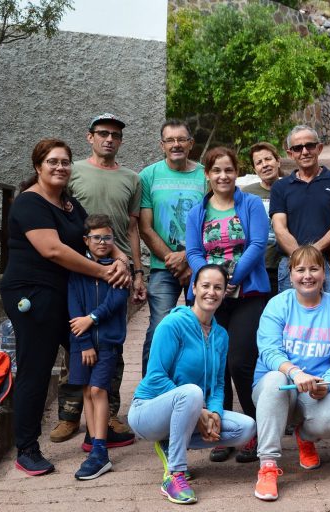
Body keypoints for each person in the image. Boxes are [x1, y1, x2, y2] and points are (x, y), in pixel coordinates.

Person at [0, 139, 129, 476]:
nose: (60, 167)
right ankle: (26, 448)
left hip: (66, 295)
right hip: (33, 295)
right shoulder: (29, 202)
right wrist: (104, 272)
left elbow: (94, 235)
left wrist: (121, 259)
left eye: (65, 162)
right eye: (52, 162)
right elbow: (54, 251)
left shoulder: (69, 204)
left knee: (93, 356)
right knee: (37, 369)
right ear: (38, 166)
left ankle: (96, 434)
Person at [128, 264, 256, 505]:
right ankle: (174, 475)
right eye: (205, 286)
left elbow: (218, 383)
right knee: (192, 393)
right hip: (148, 411)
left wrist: (215, 413)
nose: (212, 292)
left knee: (246, 427)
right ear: (194, 289)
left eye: (218, 287)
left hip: (189, 411)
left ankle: (170, 443)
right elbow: (155, 376)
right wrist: (200, 411)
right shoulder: (172, 324)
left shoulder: (221, 335)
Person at [51, 113, 141, 447]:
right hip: (79, 269)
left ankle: (109, 412)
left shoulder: (132, 179)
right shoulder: (72, 173)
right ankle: (69, 415)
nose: (109, 139)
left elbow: (132, 228)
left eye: (115, 135)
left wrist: (135, 268)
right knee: (76, 338)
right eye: (103, 133)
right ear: (90, 137)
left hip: (116, 272)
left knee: (111, 348)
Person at [185, 146, 270, 463]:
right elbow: (193, 251)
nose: (223, 176)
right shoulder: (197, 212)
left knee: (240, 362)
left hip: (247, 294)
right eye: (216, 170)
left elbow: (259, 244)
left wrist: (231, 278)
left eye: (228, 170)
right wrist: (210, 282)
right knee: (214, 365)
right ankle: (221, 429)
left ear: (237, 172)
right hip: (209, 300)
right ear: (207, 174)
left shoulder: (250, 204)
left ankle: (256, 430)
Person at [252, 245, 330, 501]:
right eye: (300, 269)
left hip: (315, 390)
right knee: (275, 379)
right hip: (277, 388)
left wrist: (327, 383)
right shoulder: (277, 305)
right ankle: (268, 466)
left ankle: (305, 437)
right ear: (291, 274)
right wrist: (295, 373)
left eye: (314, 269)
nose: (307, 275)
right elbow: (269, 351)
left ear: (324, 273)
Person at [139, 119, 207, 376]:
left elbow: (213, 220)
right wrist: (174, 260)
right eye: (170, 140)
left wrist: (189, 260)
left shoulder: (205, 175)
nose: (176, 144)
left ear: (190, 144)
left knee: (201, 328)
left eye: (181, 139)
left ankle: (196, 390)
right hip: (162, 267)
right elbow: (145, 227)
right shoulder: (149, 176)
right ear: (162, 145)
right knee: (159, 328)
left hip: (199, 266)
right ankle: (149, 394)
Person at [68, 214, 130, 480]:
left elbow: (117, 300)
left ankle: (101, 451)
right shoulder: (77, 270)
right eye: (96, 238)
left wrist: (92, 319)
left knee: (98, 390)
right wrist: (83, 342)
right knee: (86, 392)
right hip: (82, 345)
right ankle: (94, 443)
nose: (102, 242)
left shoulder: (117, 269)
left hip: (107, 342)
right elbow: (73, 308)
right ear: (86, 240)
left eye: (107, 237)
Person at [269, 125, 330, 294]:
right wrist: (303, 260)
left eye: (310, 146)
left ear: (319, 148)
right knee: (293, 319)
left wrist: (311, 253)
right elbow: (279, 228)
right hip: (291, 265)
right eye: (298, 148)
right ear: (290, 153)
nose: (304, 151)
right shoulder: (280, 187)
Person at [243, 142, 284, 297]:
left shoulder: (291, 187)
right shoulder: (247, 194)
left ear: (278, 161)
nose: (264, 165)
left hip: (283, 265)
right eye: (259, 162)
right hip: (256, 266)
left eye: (268, 159)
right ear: (254, 169)